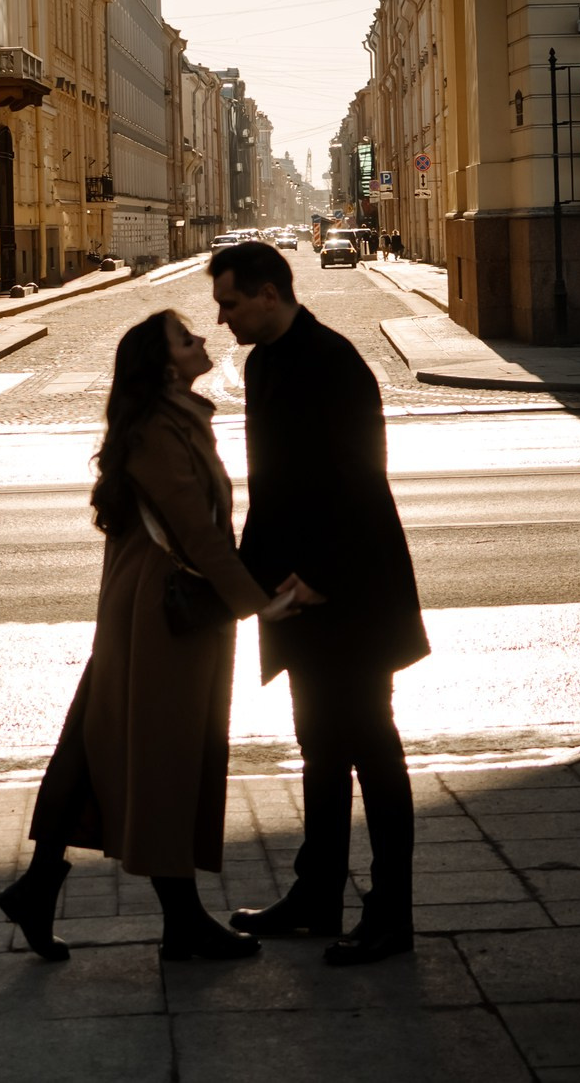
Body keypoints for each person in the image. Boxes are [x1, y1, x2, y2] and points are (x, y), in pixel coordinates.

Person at [0, 310, 295, 962]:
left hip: (146, 604)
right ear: (164, 366)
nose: (202, 342)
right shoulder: (159, 431)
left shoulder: (170, 416)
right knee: (160, 756)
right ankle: (181, 921)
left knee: (100, 742)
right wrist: (259, 604)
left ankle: (40, 886)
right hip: (163, 612)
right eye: (187, 340)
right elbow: (198, 534)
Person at [209, 241, 428, 966]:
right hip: (297, 597)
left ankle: (391, 913)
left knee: (374, 751)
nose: (222, 318)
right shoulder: (265, 363)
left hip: (352, 595)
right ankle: (317, 894)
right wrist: (245, 583)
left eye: (231, 302)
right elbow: (269, 492)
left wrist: (322, 576)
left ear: (270, 294)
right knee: (320, 750)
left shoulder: (334, 363)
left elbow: (361, 482)